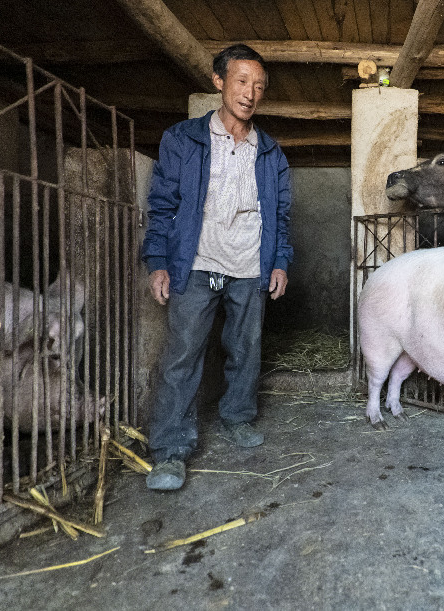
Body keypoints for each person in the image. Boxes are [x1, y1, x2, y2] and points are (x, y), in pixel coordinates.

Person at [141, 44, 292, 491]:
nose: (250, 92)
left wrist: (279, 261)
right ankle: (170, 449)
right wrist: (158, 263)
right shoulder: (182, 139)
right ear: (219, 81)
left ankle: (237, 417)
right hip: (197, 260)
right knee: (183, 354)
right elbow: (163, 204)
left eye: (259, 85)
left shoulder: (269, 152)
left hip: (249, 263)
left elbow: (280, 214)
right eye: (242, 81)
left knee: (245, 350)